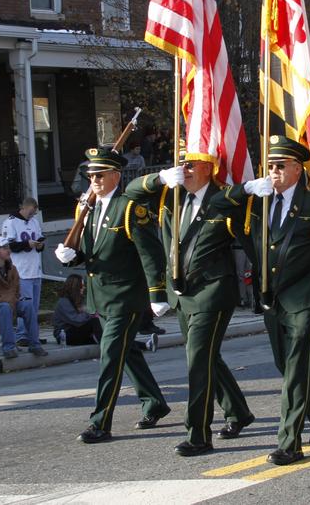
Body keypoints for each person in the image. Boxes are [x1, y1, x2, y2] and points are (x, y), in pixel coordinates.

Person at [210, 135, 310, 466]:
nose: (274, 172)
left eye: (280, 166)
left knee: (295, 366)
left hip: (305, 295)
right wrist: (248, 189)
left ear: (298, 169)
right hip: (271, 296)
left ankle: (289, 442)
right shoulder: (256, 202)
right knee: (285, 365)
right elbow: (216, 204)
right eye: (270, 166)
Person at [125, 146, 255, 457]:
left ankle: (198, 434)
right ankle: (238, 412)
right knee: (207, 357)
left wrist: (265, 287)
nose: (185, 170)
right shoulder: (172, 197)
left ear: (209, 168)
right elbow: (131, 193)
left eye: (192, 164)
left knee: (197, 361)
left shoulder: (223, 200)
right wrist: (159, 178)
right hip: (182, 294)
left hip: (213, 292)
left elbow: (253, 242)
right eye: (181, 164)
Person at [55, 145, 171, 444]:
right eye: (90, 174)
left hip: (126, 298)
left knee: (110, 356)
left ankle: (100, 422)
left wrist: (157, 293)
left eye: (99, 173)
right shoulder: (89, 208)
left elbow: (151, 254)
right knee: (128, 354)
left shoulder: (129, 207)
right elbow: (93, 254)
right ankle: (154, 402)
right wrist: (72, 257)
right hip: (101, 297)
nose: (93, 178)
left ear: (116, 175)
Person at [0, 237, 48, 359]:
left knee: (28, 305)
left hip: (10, 302)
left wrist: (11, 299)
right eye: (5, 248)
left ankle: (34, 344)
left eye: (9, 247)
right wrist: (3, 299)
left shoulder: (12, 269)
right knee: (4, 307)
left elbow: (15, 289)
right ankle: (9, 348)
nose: (9, 250)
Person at [53, 274, 158, 351]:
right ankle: (108, 345)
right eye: (82, 285)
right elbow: (77, 320)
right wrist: (91, 313)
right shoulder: (64, 302)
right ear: (75, 287)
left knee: (111, 338)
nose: (84, 288)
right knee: (96, 322)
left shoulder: (76, 300)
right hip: (65, 335)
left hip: (79, 333)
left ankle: (145, 346)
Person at [1, 197, 45, 347]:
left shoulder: (34, 222)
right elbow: (9, 245)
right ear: (25, 208)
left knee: (34, 307)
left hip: (35, 269)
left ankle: (33, 334)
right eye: (31, 212)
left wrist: (39, 245)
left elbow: (40, 238)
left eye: (34, 212)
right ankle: (22, 335)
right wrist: (27, 243)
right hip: (21, 271)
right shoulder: (11, 222)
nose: (32, 215)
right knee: (25, 305)